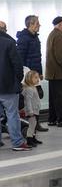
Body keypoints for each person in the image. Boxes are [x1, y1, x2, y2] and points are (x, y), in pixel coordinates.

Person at [0, 21, 31, 151]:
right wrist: (17, 80)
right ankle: (17, 143)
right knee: (12, 114)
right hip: (8, 86)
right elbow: (18, 66)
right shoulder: (9, 43)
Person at [16, 15, 48, 133]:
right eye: (37, 23)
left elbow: (37, 58)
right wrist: (26, 75)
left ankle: (36, 124)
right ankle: (30, 125)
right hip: (28, 75)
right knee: (30, 101)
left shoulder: (35, 37)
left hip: (35, 74)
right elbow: (20, 59)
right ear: (31, 24)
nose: (39, 25)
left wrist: (39, 73)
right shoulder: (24, 38)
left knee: (37, 99)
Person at [22, 70, 43, 146]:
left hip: (35, 110)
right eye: (35, 78)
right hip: (32, 111)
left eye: (38, 77)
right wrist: (30, 111)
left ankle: (33, 138)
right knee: (31, 126)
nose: (38, 79)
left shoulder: (33, 87)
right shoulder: (29, 89)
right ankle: (29, 140)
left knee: (34, 125)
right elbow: (28, 101)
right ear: (29, 79)